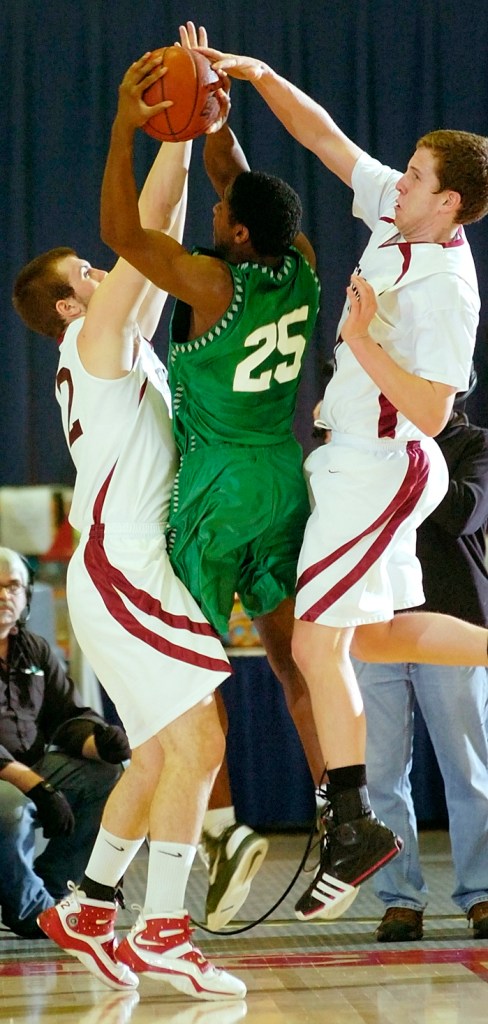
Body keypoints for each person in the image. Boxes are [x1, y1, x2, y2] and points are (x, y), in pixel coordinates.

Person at [199, 43, 488, 921]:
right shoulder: (399, 226)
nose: (396, 179)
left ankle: (353, 822)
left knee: (321, 647)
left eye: (414, 174)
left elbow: (436, 413)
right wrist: (258, 79)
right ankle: (358, 820)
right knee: (366, 642)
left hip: (385, 463)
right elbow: (326, 141)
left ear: (451, 201)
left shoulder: (445, 283)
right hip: (352, 459)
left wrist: (360, 346)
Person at [12, 54, 245, 1002]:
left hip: (127, 568)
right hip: (122, 567)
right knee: (200, 744)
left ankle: (94, 906)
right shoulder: (91, 338)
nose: (106, 268)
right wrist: (148, 130)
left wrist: (181, 139)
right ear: (70, 305)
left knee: (160, 753)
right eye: (88, 272)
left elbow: (159, 231)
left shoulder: (118, 341)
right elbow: (144, 236)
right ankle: (164, 931)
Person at [100, 22, 325, 931]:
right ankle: (341, 809)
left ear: (230, 234)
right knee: (293, 656)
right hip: (286, 479)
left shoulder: (210, 285)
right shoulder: (302, 267)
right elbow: (247, 192)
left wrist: (129, 127)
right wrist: (213, 123)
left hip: (219, 491)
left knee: (190, 674)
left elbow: (121, 231)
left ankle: (226, 826)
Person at [355, 380, 488, 941]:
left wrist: (408, 453)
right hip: (372, 619)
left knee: (469, 768)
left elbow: (466, 513)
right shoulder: (365, 443)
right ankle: (399, 899)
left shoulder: (473, 445)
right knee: (380, 773)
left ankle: (482, 893)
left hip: (451, 623)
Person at [0, 546, 127, 940]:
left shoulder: (33, 648)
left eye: (13, 587)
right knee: (11, 809)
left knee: (109, 776)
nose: (5, 596)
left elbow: (67, 716)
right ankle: (30, 913)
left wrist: (100, 742)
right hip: (11, 781)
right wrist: (38, 787)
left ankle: (54, 893)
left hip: (36, 770)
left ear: (26, 595)